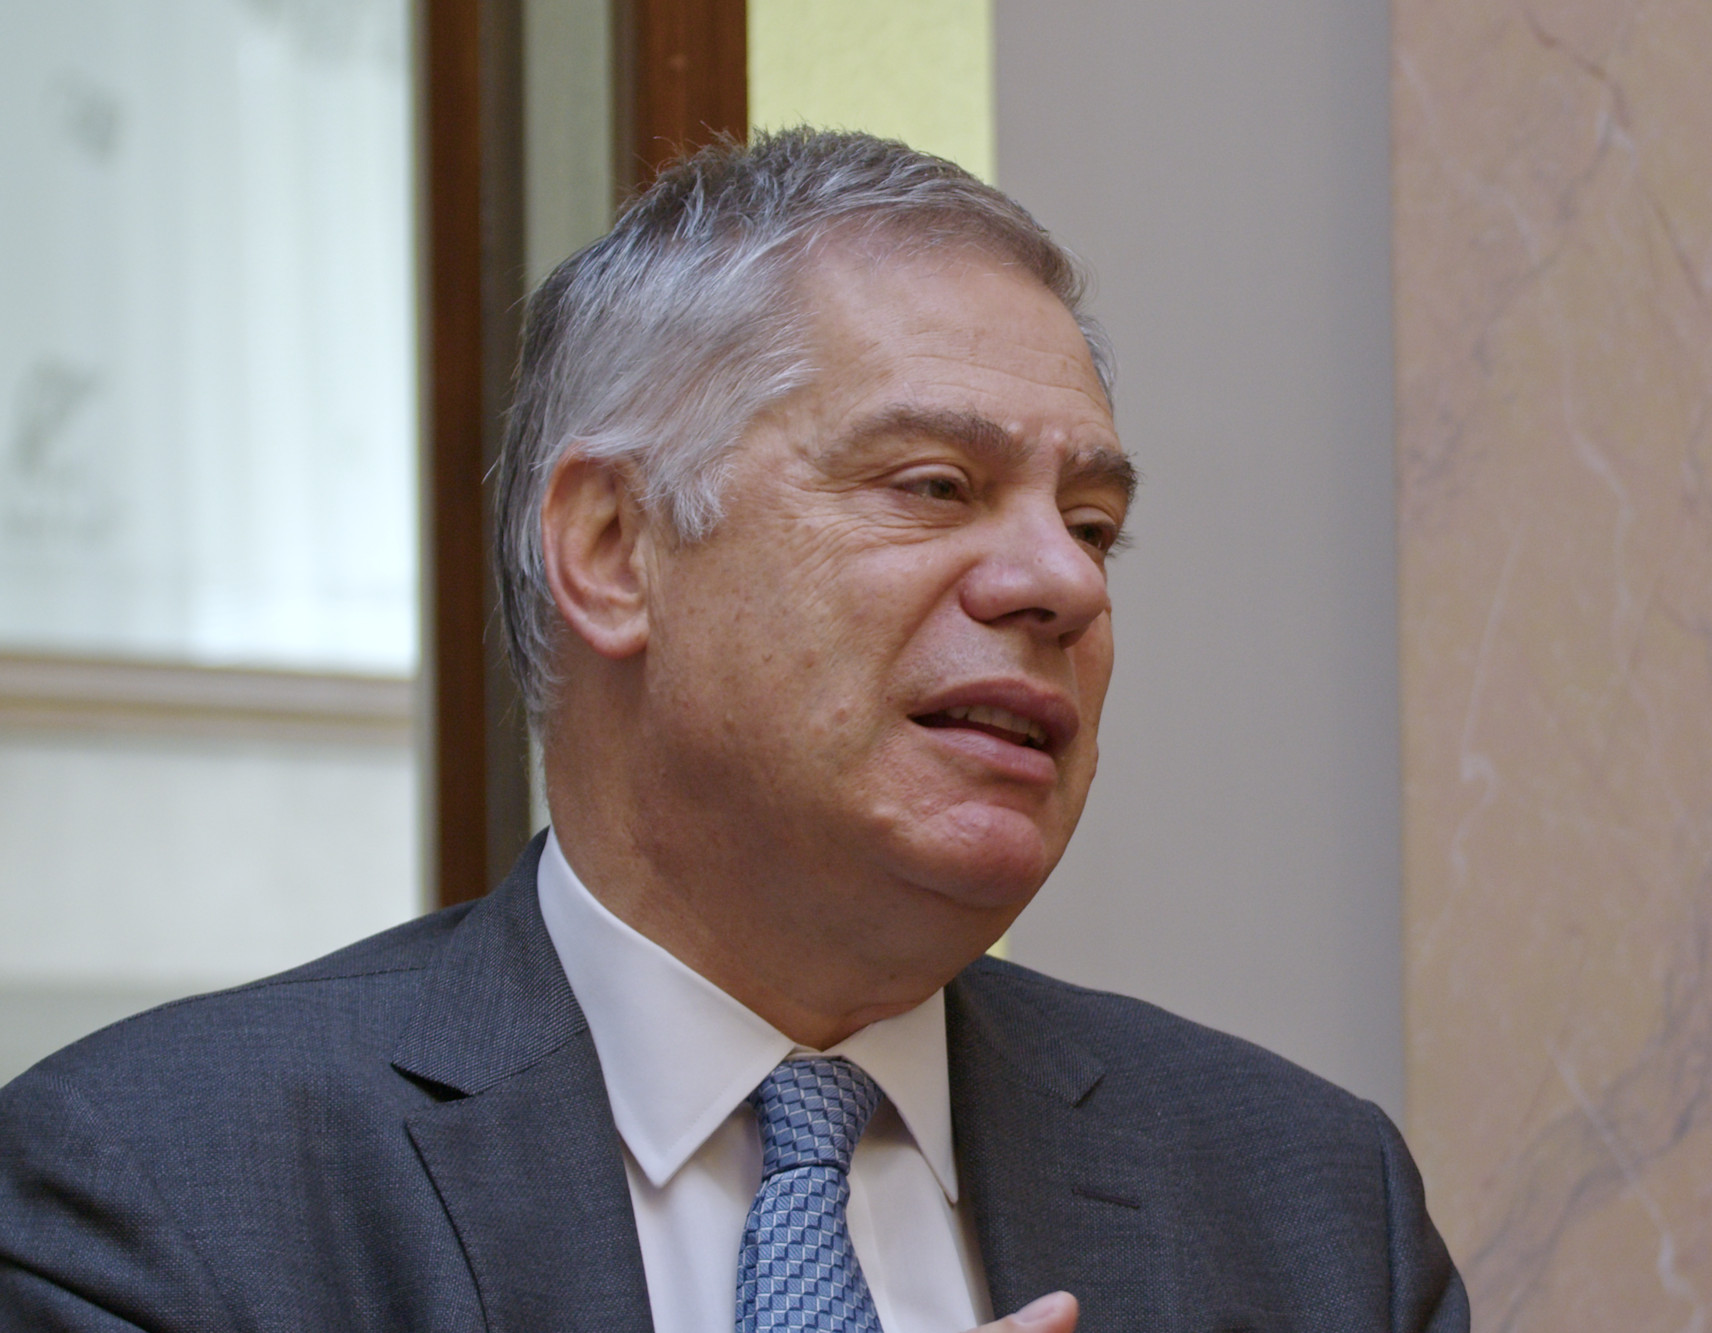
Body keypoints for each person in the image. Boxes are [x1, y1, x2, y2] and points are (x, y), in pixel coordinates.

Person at [0, 130, 1467, 1332]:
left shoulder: (1308, 1205)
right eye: (935, 486)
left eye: (1092, 525)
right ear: (613, 547)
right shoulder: (155, 1190)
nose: (1064, 584)